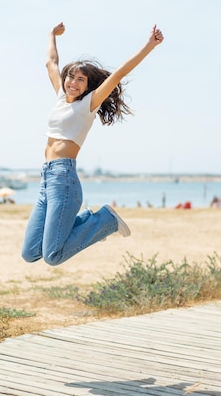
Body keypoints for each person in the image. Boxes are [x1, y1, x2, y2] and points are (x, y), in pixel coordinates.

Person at [21, 22, 164, 266]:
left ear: (88, 86)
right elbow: (51, 63)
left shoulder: (88, 104)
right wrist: (51, 35)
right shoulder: (60, 97)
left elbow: (119, 73)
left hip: (64, 179)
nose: (73, 82)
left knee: (53, 256)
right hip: (46, 178)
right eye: (71, 77)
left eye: (81, 80)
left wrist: (149, 45)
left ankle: (105, 220)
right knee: (31, 252)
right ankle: (88, 219)